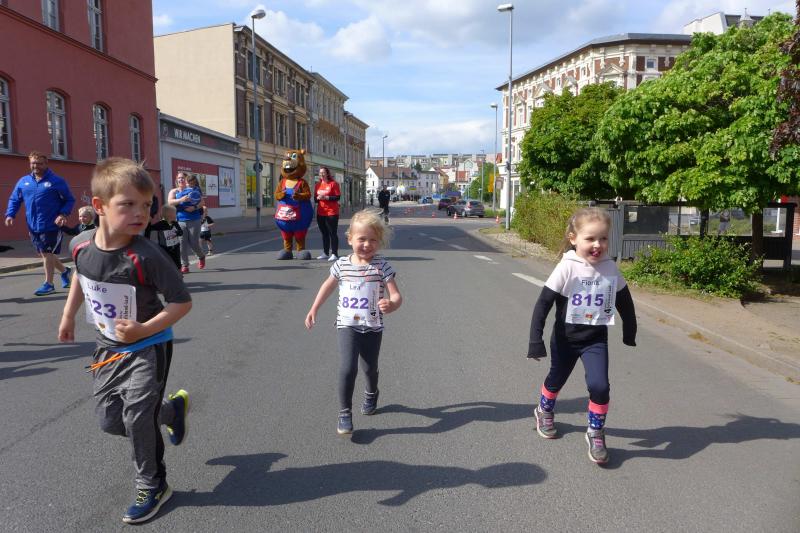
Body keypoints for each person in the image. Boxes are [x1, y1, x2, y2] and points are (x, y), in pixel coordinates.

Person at [58, 157, 193, 524]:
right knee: (110, 421)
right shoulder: (81, 245)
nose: (140, 213)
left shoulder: (147, 255)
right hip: (107, 349)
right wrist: (68, 315)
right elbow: (81, 276)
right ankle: (170, 412)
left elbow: (182, 303)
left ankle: (153, 484)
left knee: (136, 417)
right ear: (99, 206)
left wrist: (142, 330)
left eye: (146, 205)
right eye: (128, 204)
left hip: (149, 346)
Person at [527, 207, 637, 465]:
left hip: (595, 340)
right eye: (590, 239)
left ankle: (595, 431)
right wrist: (535, 341)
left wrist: (629, 331)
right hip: (565, 339)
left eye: (603, 238)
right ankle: (544, 410)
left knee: (600, 386)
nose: (598, 244)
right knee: (556, 378)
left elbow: (625, 301)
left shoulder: (610, 267)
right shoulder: (567, 267)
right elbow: (543, 304)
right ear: (573, 238)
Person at [305, 208, 403, 435]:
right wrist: (314, 308)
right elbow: (327, 286)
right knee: (348, 367)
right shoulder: (342, 264)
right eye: (362, 239)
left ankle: (371, 393)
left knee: (370, 369)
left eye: (373, 240)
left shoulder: (381, 266)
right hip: (347, 325)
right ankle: (345, 412)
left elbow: (396, 295)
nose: (367, 245)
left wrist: (392, 304)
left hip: (372, 326)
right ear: (350, 239)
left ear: (379, 242)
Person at [5, 150, 76, 295]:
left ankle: (49, 284)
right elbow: (15, 199)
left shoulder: (57, 181)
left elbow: (70, 199)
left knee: (47, 253)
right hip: (33, 225)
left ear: (46, 163)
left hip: (52, 225)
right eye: (33, 163)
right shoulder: (24, 181)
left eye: (39, 163)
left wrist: (63, 214)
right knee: (43, 254)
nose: (35, 166)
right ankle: (65, 271)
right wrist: (10, 214)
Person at [167, 172, 205, 273]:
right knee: (182, 244)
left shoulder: (193, 190)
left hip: (194, 219)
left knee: (194, 243)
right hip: (180, 220)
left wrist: (194, 207)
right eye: (179, 178)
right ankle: (185, 265)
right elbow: (170, 202)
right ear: (177, 179)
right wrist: (181, 199)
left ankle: (201, 256)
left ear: (186, 179)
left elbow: (202, 202)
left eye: (183, 178)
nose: (181, 179)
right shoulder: (174, 191)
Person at [314, 166, 341, 261]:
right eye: (320, 173)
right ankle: (325, 253)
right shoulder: (317, 185)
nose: (321, 174)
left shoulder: (333, 184)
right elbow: (315, 199)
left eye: (323, 172)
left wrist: (326, 197)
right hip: (320, 212)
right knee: (324, 233)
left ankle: (334, 254)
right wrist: (318, 198)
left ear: (327, 173)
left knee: (332, 233)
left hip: (331, 212)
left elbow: (337, 197)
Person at [148, 205, 183, 270]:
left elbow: (181, 232)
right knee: (167, 261)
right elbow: (151, 228)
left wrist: (176, 233)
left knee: (177, 261)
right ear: (170, 215)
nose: (176, 215)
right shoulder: (160, 224)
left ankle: (178, 272)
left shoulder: (175, 223)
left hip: (175, 246)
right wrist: (149, 222)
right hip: (165, 247)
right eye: (175, 213)